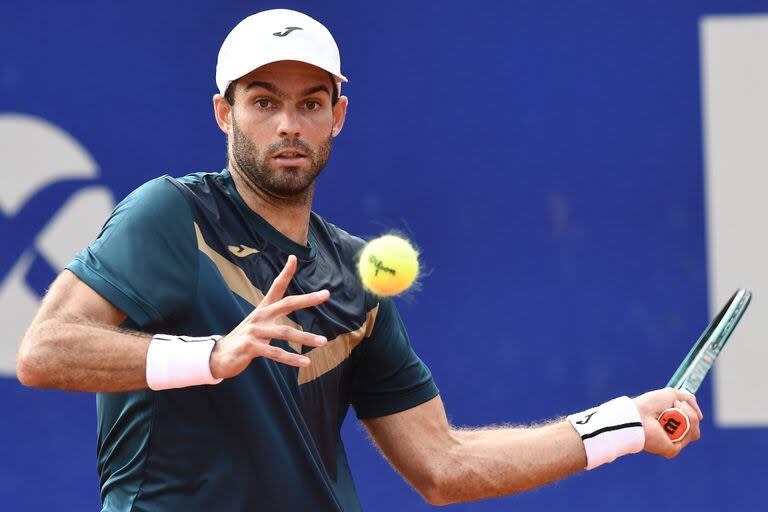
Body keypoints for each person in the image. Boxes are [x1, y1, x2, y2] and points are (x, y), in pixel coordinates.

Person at [15, 8, 702, 511]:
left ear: (337, 115)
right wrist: (213, 355)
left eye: (310, 104)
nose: (288, 125)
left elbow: (445, 466)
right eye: (263, 103)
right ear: (223, 113)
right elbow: (43, 352)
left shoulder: (353, 275)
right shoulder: (170, 215)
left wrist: (619, 426)